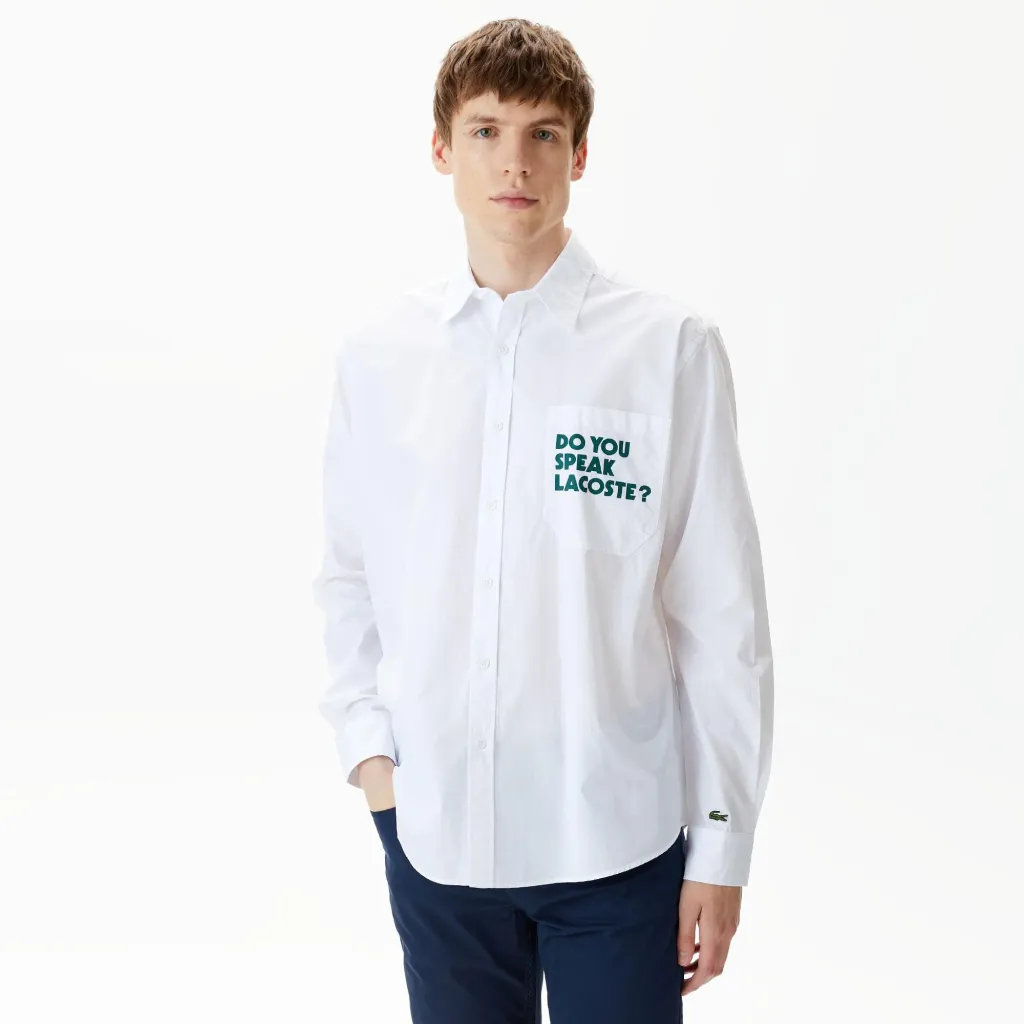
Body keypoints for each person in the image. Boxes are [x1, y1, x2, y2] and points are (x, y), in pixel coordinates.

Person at [311, 17, 774, 1024]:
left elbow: (722, 615)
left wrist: (722, 844)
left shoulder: (666, 349)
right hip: (435, 836)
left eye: (543, 134)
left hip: (616, 845)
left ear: (581, 153)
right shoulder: (380, 355)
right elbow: (349, 573)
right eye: (485, 131)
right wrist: (374, 763)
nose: (513, 162)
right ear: (442, 148)